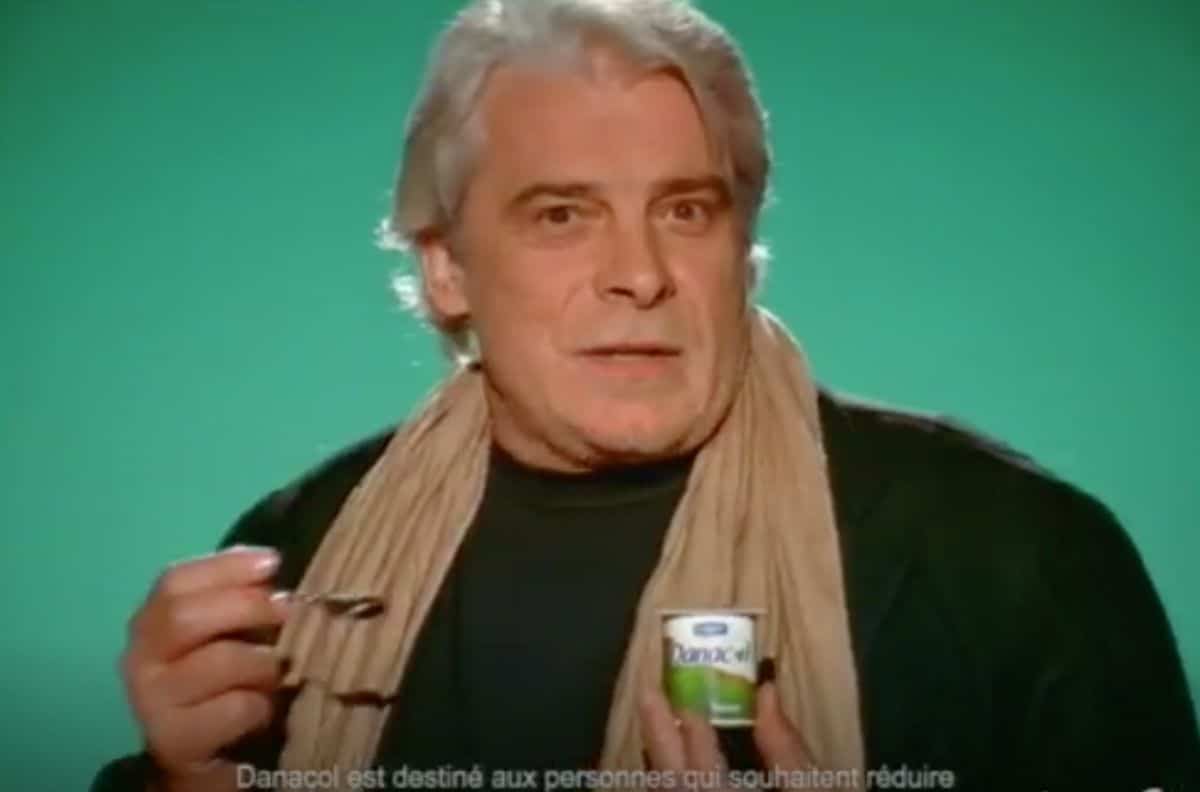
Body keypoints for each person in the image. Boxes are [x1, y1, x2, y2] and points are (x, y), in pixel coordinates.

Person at [92, 1, 1198, 790]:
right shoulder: (301, 559)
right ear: (446, 268)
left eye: (684, 210)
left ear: (740, 245)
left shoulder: (1017, 558)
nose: (640, 273)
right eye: (561, 215)